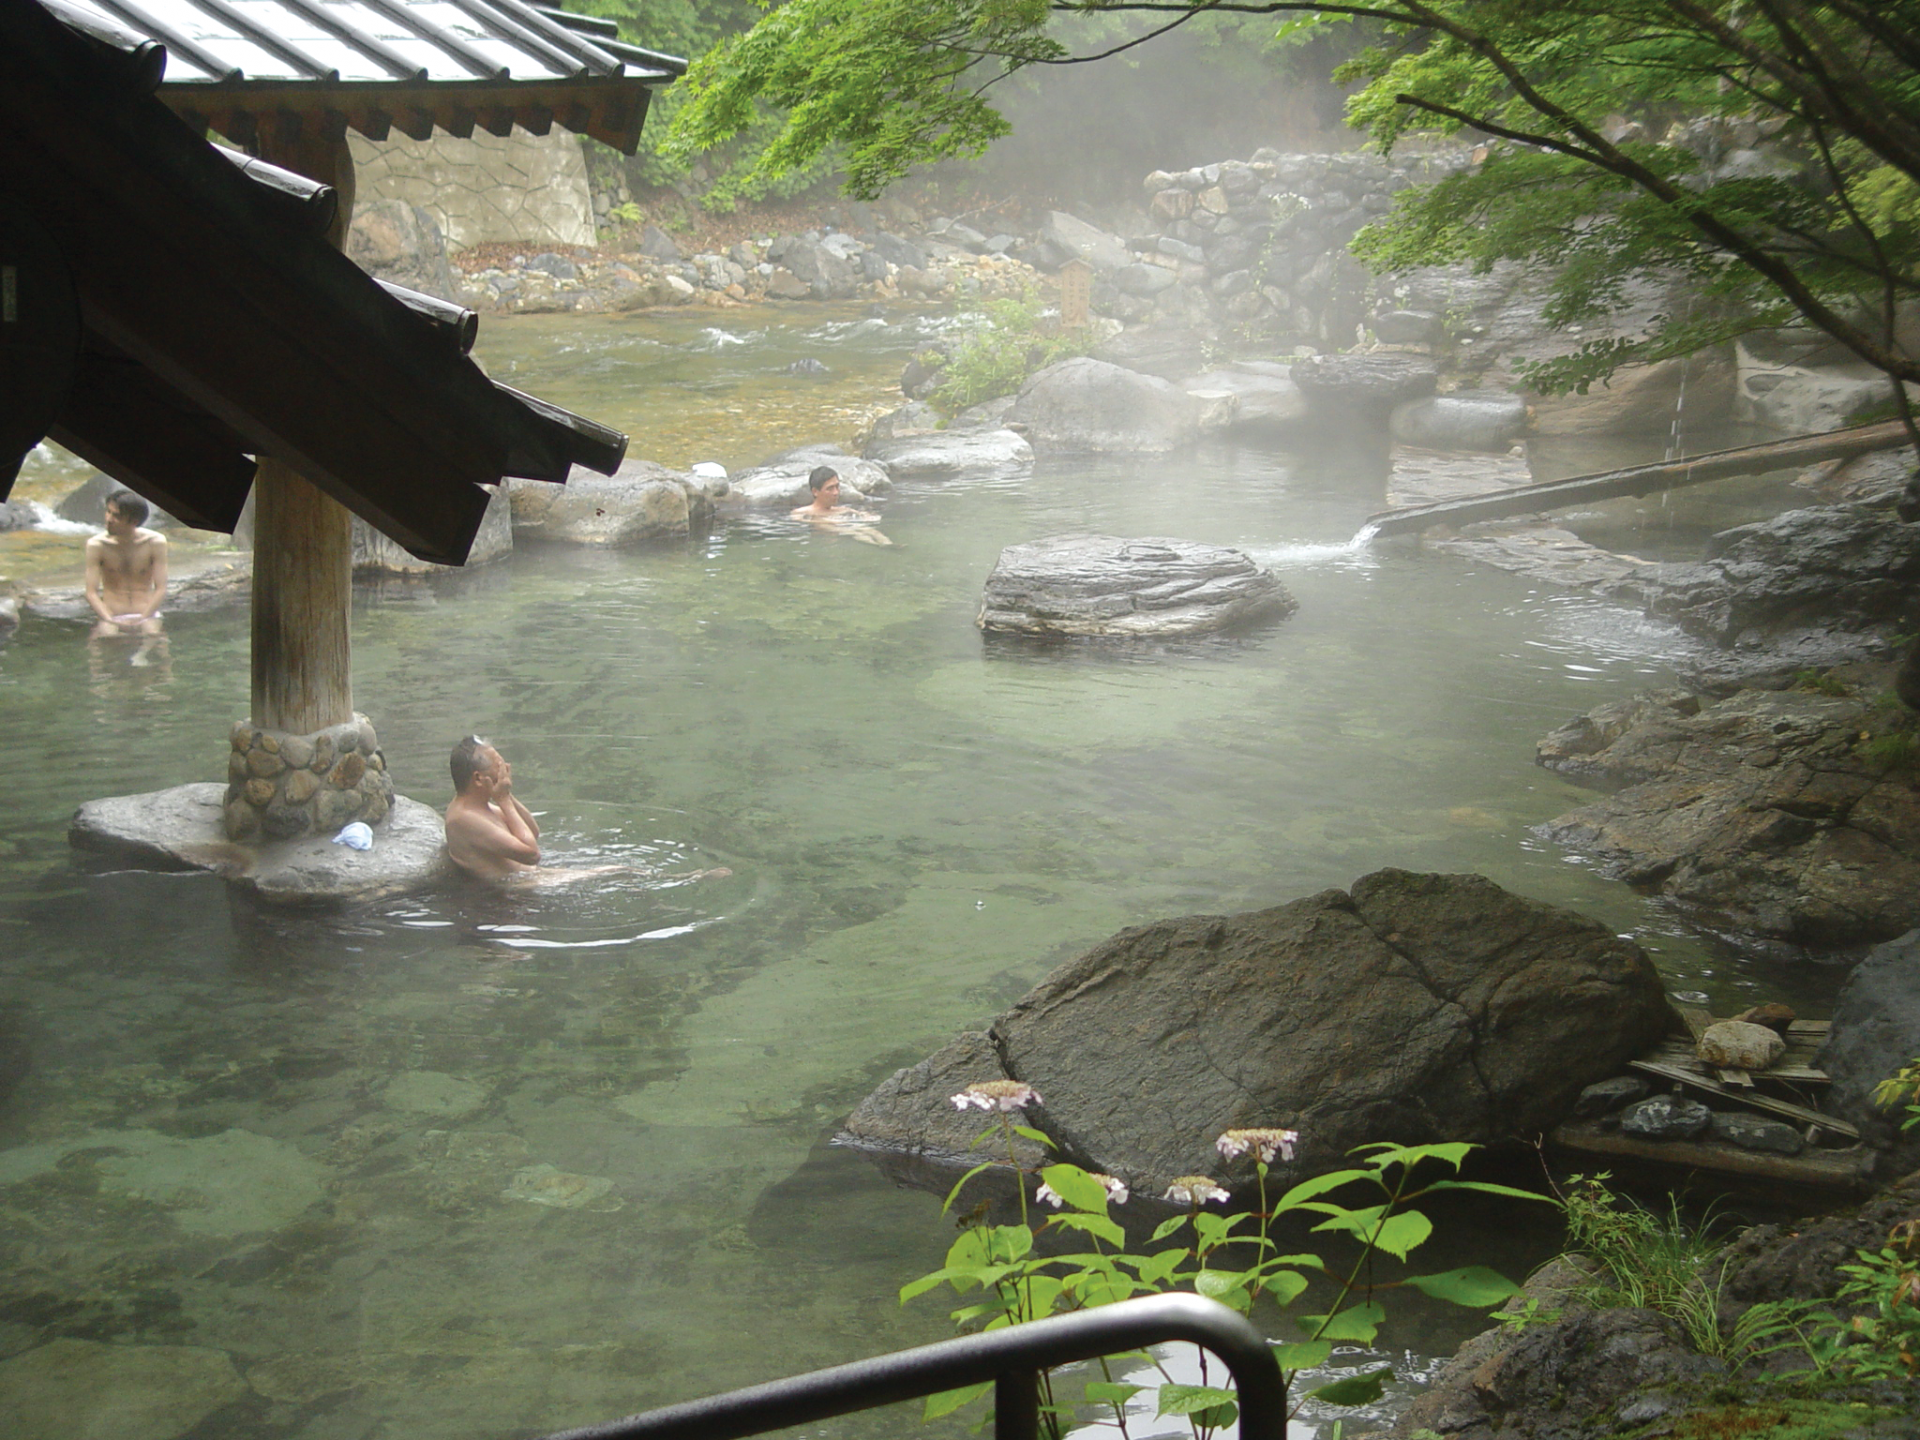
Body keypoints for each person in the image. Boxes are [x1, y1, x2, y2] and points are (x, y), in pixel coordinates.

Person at [444, 735, 731, 887]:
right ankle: (686, 881)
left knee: (620, 872)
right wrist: (504, 801)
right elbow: (531, 853)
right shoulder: (466, 818)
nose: (505, 768)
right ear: (479, 779)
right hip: (515, 892)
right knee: (619, 871)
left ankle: (672, 886)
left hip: (530, 877)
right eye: (498, 765)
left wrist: (507, 795)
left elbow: (533, 833)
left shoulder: (481, 804)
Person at [85, 490, 168, 638]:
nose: (109, 519)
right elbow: (91, 592)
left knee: (155, 637)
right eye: (108, 512)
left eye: (116, 516)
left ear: (134, 521)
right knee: (103, 639)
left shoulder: (155, 542)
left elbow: (161, 588)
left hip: (146, 613)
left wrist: (144, 618)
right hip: (111, 615)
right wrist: (109, 620)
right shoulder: (97, 545)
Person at [790, 465, 892, 545]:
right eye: (830, 489)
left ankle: (888, 544)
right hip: (826, 539)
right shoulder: (800, 513)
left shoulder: (843, 510)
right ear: (815, 491)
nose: (836, 492)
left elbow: (869, 518)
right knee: (851, 531)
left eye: (837, 487)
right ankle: (875, 545)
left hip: (841, 529)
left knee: (869, 530)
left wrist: (869, 516)